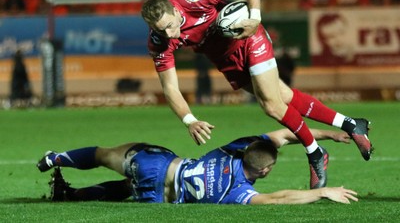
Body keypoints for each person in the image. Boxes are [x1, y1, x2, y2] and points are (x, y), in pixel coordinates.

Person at [140, 0, 372, 189]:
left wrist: (255, 16)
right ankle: (351, 124)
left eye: (169, 26)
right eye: (161, 31)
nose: (169, 34)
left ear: (174, 9)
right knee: (284, 97)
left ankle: (314, 152)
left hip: (250, 38)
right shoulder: (159, 42)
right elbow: (170, 87)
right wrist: (189, 120)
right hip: (226, 61)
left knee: (271, 105)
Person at [37, 128, 358, 204]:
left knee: (103, 155)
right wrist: (322, 192)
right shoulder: (237, 191)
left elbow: (285, 134)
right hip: (161, 197)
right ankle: (73, 196)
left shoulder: (232, 150)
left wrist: (328, 133)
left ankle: (56, 158)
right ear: (265, 170)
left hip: (157, 164)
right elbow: (275, 198)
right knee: (126, 190)